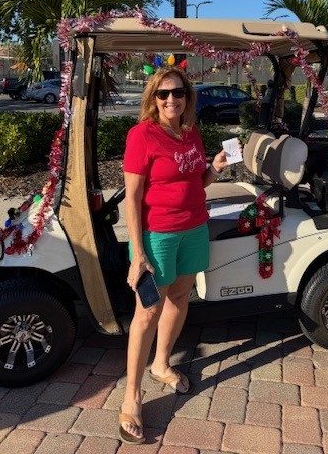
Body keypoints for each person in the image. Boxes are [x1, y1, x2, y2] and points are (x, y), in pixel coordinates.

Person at [119, 68, 229, 444]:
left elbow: (196, 182)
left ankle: (162, 364)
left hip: (194, 228)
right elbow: (132, 199)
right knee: (147, 312)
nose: (171, 100)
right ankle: (132, 396)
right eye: (163, 94)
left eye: (178, 93)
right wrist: (138, 254)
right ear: (153, 98)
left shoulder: (190, 132)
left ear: (187, 97)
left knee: (180, 297)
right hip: (157, 236)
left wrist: (214, 169)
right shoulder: (142, 135)